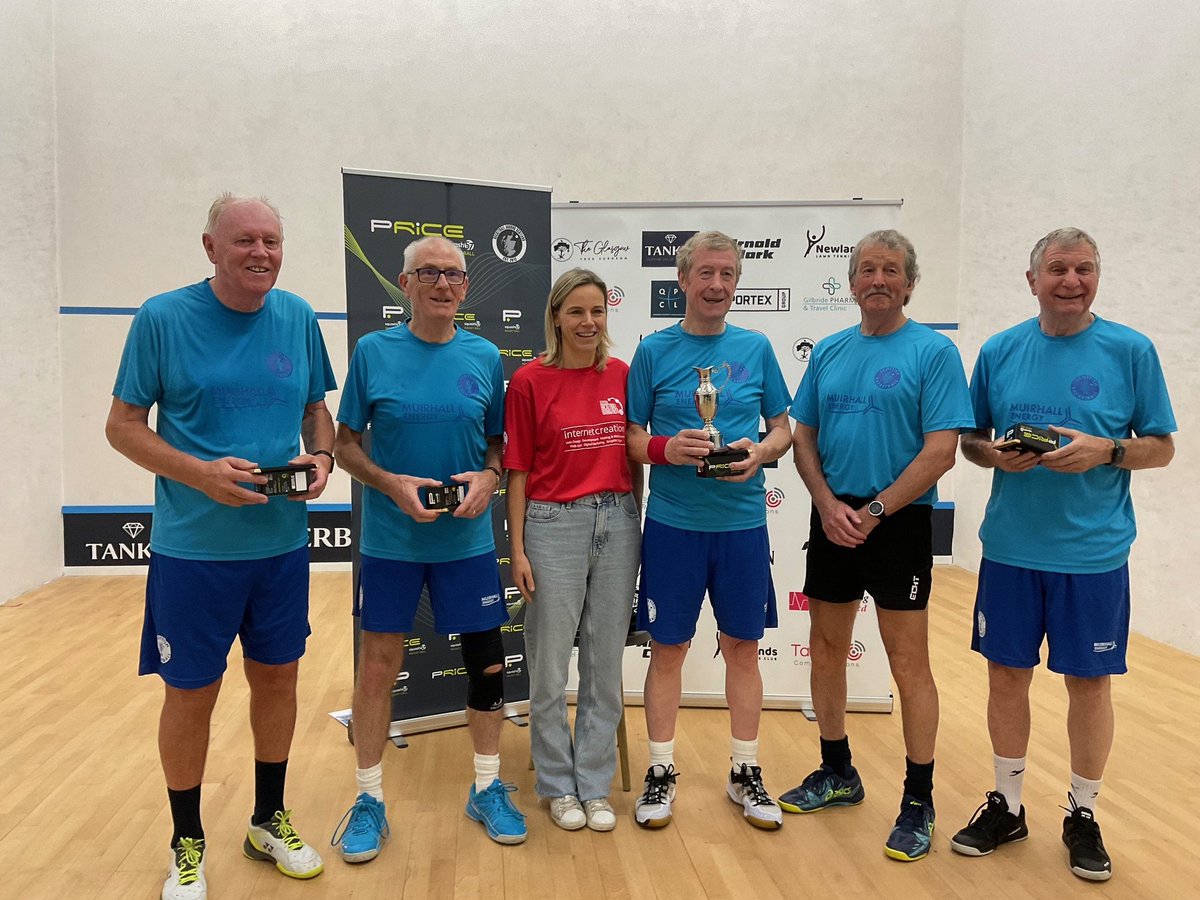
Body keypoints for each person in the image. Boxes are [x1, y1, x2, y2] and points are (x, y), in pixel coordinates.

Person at [106, 193, 335, 900]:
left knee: (278, 680)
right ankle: (187, 842)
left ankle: (268, 820)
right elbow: (122, 426)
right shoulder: (162, 318)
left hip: (279, 547)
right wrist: (200, 473)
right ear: (211, 247)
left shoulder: (296, 315)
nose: (260, 252)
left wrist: (321, 461)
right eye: (244, 241)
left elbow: (315, 412)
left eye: (271, 240)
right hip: (194, 552)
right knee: (191, 694)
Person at [950, 228, 1175, 881]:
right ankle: (1008, 805)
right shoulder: (999, 351)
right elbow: (970, 438)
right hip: (1012, 549)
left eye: (1084, 269)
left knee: (1089, 683)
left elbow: (1160, 446)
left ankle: (1082, 812)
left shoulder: (1131, 351)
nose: (1071, 281)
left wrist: (1105, 450)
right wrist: (992, 455)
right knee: (1005, 677)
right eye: (1057, 269)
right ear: (1032, 280)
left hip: (1094, 555)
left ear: (1097, 276)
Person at [783, 229, 973, 862]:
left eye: (891, 270)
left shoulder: (933, 352)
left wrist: (874, 510)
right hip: (834, 519)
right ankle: (838, 771)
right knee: (827, 648)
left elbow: (941, 449)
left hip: (898, 525)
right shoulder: (831, 351)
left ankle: (918, 799)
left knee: (908, 663)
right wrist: (827, 504)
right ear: (852, 282)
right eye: (868, 270)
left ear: (909, 283)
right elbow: (801, 434)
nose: (878, 280)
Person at [331, 235, 523, 860]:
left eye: (455, 276)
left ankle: (488, 788)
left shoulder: (485, 356)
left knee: (487, 664)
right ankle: (368, 799)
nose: (444, 285)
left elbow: (497, 449)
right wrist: (391, 483)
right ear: (405, 283)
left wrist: (490, 479)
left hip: (467, 543)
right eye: (430, 274)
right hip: (391, 543)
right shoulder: (373, 352)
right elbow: (345, 444)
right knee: (379, 667)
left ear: (467, 288)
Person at [625, 230, 793, 830]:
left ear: (736, 282)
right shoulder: (653, 352)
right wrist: (669, 448)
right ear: (683, 280)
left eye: (727, 274)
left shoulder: (757, 347)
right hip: (673, 527)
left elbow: (783, 428)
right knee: (668, 649)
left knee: (744, 649)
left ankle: (745, 770)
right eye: (705, 274)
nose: (717, 284)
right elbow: (631, 438)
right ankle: (661, 769)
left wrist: (758, 453)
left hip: (742, 525)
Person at [503, 268, 643, 832]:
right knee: (549, 669)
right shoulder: (530, 381)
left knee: (605, 668)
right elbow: (517, 471)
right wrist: (516, 548)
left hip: (618, 522)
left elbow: (633, 459)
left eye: (598, 311)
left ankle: (594, 785)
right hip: (551, 526)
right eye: (577, 312)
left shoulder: (624, 375)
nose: (589, 322)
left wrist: (636, 521)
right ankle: (558, 787)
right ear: (556, 316)